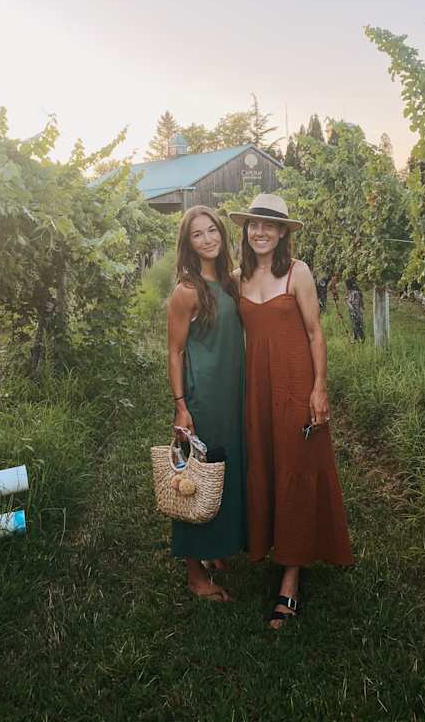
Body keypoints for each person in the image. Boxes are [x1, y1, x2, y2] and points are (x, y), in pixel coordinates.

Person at [229, 193, 353, 629]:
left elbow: (316, 333)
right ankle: (267, 542)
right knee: (264, 464)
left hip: (296, 383)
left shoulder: (297, 272)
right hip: (257, 389)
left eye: (269, 225)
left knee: (296, 467)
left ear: (283, 232)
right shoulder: (237, 279)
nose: (260, 231)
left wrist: (319, 388)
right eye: (253, 224)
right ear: (246, 230)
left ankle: (291, 578)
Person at [166, 206, 247, 602]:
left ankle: (215, 547)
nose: (208, 239)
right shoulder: (187, 291)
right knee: (196, 478)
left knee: (225, 472)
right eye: (197, 234)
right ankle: (195, 574)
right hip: (204, 398)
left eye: (212, 230)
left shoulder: (231, 282)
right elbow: (175, 351)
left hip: (233, 395)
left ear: (222, 233)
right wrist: (182, 406)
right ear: (188, 243)